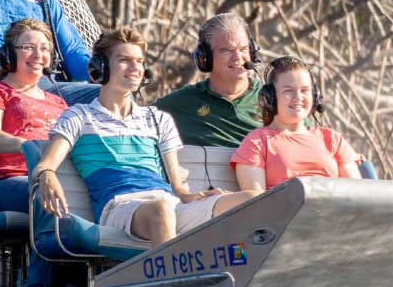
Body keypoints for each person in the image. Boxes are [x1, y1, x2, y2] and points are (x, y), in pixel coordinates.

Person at [35, 28, 259, 243]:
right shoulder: (79, 116)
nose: (135, 68)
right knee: (160, 211)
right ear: (100, 68)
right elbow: (45, 165)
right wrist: (46, 174)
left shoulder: (157, 119)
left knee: (251, 200)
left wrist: (197, 197)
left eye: (140, 62)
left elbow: (179, 188)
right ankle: (170, 281)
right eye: (125, 60)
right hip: (120, 208)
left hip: (168, 203)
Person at [0, 19, 67, 287]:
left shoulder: (58, 102)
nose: (38, 55)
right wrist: (30, 146)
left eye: (44, 48)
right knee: (48, 198)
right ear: (10, 54)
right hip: (3, 180)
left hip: (52, 178)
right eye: (29, 47)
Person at [232, 56, 363, 191]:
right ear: (270, 97)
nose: (298, 97)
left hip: (332, 210)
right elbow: (254, 201)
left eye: (304, 90)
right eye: (288, 91)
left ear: (315, 95)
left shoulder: (332, 139)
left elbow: (356, 193)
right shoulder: (257, 141)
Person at [154, 12, 261, 148]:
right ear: (205, 58)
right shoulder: (182, 103)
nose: (237, 57)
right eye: (226, 51)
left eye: (243, 49)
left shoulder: (272, 98)